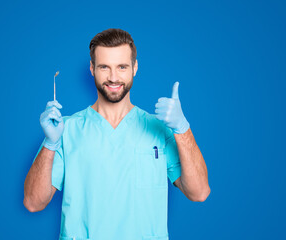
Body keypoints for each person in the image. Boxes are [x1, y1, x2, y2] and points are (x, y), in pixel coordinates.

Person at [23, 28, 210, 240]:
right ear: (92, 68)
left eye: (122, 67)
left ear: (135, 67)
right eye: (104, 67)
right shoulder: (65, 131)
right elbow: (33, 202)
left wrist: (182, 128)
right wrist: (50, 143)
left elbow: (199, 192)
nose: (113, 77)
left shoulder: (160, 129)